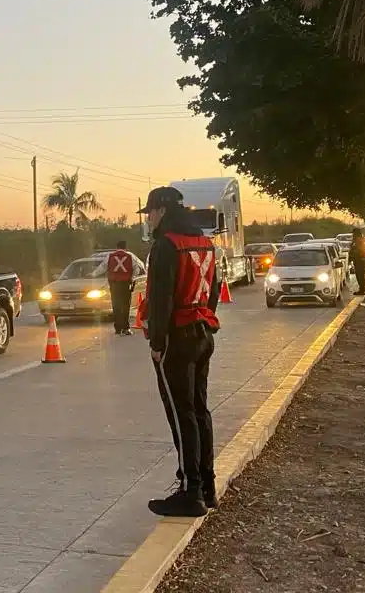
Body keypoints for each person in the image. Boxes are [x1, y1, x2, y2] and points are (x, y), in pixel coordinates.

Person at [140, 186, 222, 518]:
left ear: (160, 212)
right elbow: (214, 288)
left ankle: (191, 492)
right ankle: (207, 485)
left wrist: (157, 343)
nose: (149, 219)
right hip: (203, 329)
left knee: (181, 413)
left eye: (150, 213)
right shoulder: (204, 243)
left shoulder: (166, 245)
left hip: (178, 336)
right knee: (199, 410)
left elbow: (161, 299)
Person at [106, 241, 136, 335]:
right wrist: (132, 277)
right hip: (125, 284)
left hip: (114, 284)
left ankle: (117, 328)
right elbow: (136, 268)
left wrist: (93, 274)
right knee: (125, 306)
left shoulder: (110, 256)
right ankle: (125, 328)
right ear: (125, 247)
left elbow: (103, 267)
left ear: (117, 247)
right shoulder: (130, 256)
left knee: (116, 306)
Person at [349, 228, 365, 295]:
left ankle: (362, 290)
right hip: (360, 261)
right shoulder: (357, 241)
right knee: (359, 275)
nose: (353, 235)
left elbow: (361, 252)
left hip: (361, 261)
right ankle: (361, 289)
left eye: (354, 234)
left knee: (360, 275)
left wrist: (353, 256)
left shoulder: (359, 241)